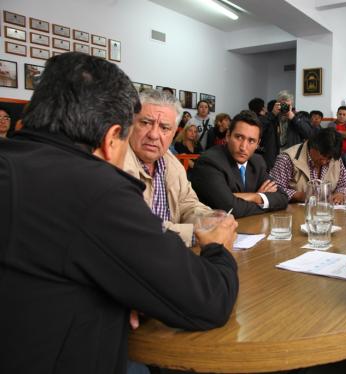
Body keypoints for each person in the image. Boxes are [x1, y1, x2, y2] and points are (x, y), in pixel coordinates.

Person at [0, 52, 239, 374]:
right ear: (113, 138)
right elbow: (209, 301)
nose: (154, 135)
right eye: (139, 127)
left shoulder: (14, 160)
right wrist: (218, 247)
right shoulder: (93, 187)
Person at [125, 88, 211, 247]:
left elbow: (188, 204)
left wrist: (211, 220)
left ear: (173, 134)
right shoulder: (117, 162)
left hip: (169, 258)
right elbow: (136, 228)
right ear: (130, 124)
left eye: (164, 128)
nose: (154, 135)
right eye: (145, 123)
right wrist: (199, 234)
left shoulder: (173, 164)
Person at [190, 110, 289, 218]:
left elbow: (283, 198)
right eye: (239, 137)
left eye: (251, 141)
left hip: (250, 228)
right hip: (214, 230)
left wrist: (255, 197)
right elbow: (231, 209)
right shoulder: (209, 162)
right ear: (228, 136)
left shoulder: (257, 162)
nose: (243, 147)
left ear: (257, 144)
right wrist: (262, 198)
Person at [270, 128, 346, 204]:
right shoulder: (287, 159)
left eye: (329, 158)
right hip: (294, 212)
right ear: (313, 146)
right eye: (322, 156)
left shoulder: (334, 158)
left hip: (325, 213)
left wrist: (340, 193)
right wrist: (301, 196)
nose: (324, 162)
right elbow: (274, 189)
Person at [249, 97, 279, 171]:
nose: (266, 109)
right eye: (264, 106)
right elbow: (260, 128)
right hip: (264, 159)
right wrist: (272, 114)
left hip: (265, 158)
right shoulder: (260, 120)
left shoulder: (266, 119)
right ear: (262, 108)